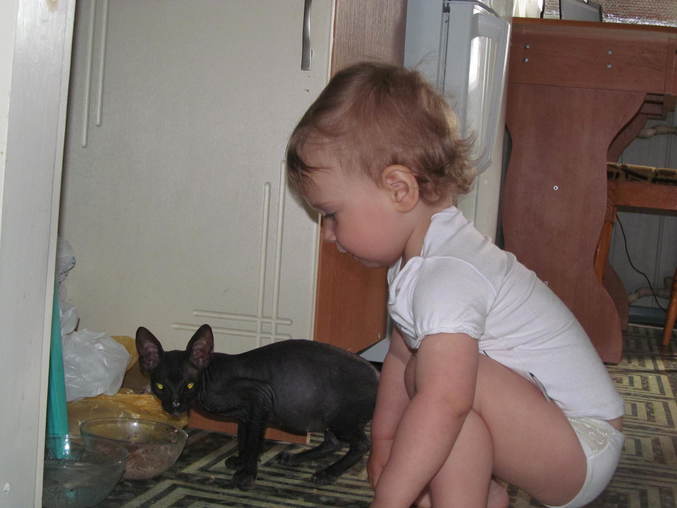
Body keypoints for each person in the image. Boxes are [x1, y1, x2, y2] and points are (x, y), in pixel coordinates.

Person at [285, 62, 625, 508]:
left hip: (581, 444)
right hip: (547, 428)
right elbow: (400, 356)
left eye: (331, 214)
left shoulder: (447, 275)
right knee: (431, 385)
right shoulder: (418, 265)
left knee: (441, 391)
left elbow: (445, 402)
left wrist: (390, 497)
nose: (328, 234)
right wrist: (385, 445)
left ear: (399, 189)